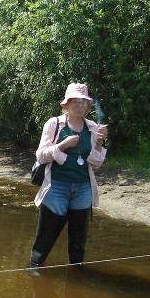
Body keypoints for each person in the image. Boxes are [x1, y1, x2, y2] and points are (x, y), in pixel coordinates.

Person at [29, 83, 108, 267]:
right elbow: (40, 155)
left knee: (78, 240)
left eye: (83, 102)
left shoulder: (93, 127)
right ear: (67, 103)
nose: (80, 105)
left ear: (87, 105)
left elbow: (96, 164)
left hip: (82, 188)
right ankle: (35, 270)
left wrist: (98, 143)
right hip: (56, 187)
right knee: (45, 237)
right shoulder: (54, 124)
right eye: (75, 101)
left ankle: (76, 272)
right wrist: (63, 145)